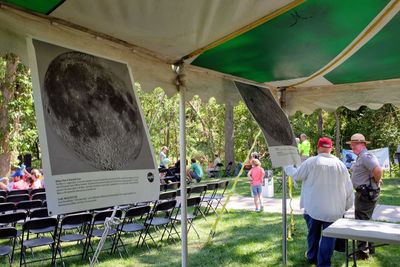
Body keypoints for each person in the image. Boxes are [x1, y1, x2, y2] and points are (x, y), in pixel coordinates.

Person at [285, 137, 354, 267]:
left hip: (314, 207)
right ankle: (323, 263)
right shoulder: (341, 165)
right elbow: (349, 189)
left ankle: (312, 257)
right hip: (334, 209)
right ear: (331, 149)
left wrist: (287, 165)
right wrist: (346, 206)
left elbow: (296, 175)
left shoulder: (312, 161)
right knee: (329, 237)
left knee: (313, 235)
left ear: (317, 148)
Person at [346, 133, 382, 260]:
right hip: (365, 192)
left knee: (361, 222)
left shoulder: (366, 156)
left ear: (362, 144)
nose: (353, 147)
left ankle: (363, 252)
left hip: (366, 193)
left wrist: (376, 181)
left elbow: (377, 170)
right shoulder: (362, 156)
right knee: (366, 220)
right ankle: (370, 248)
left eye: (355, 144)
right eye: (352, 145)